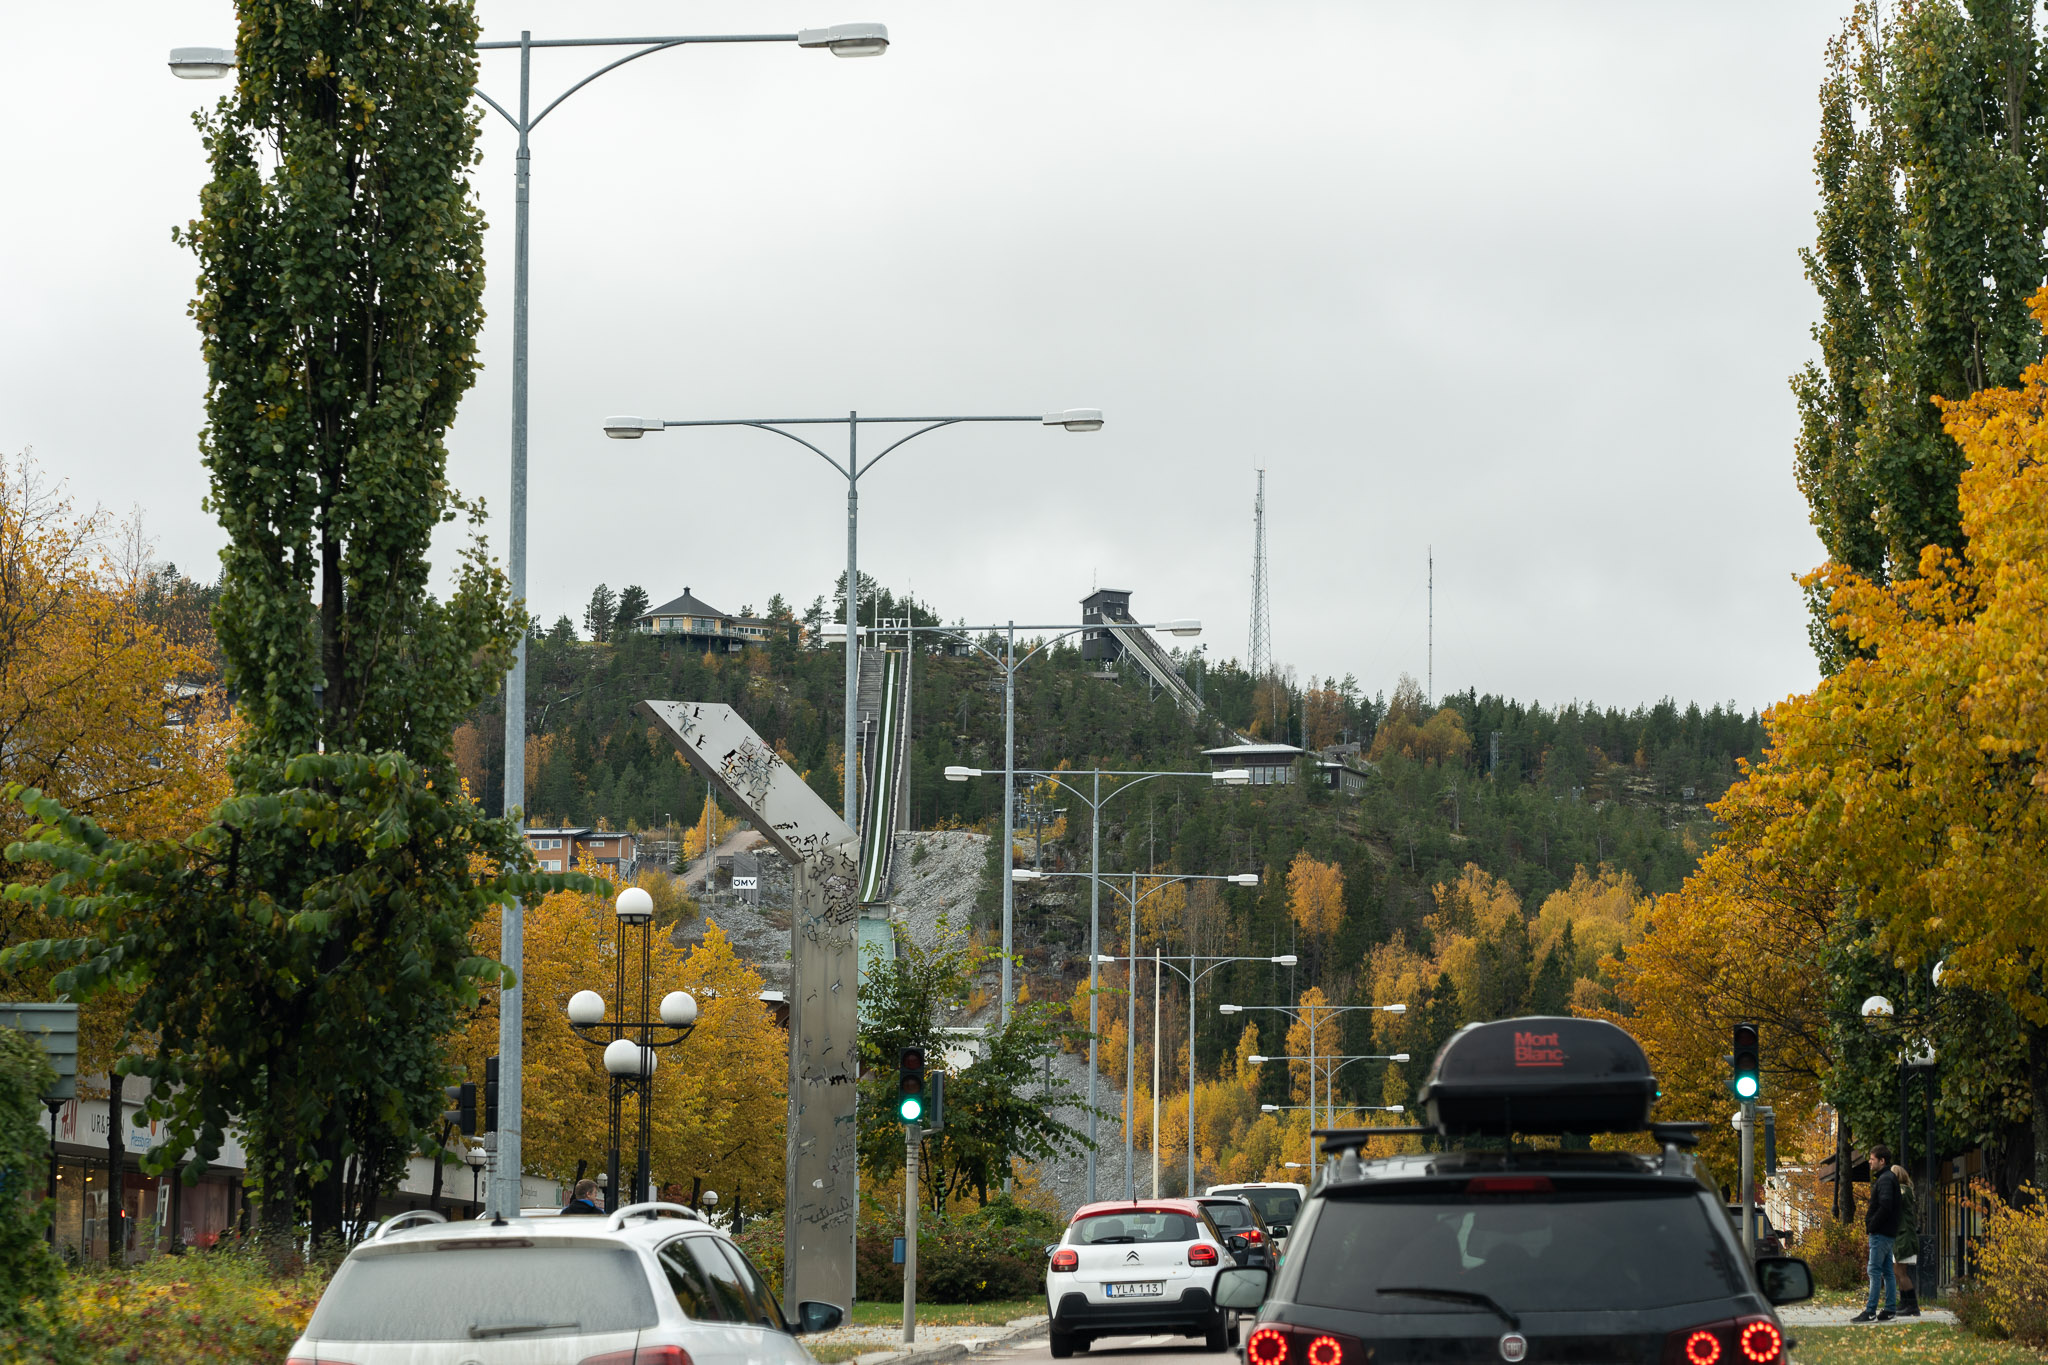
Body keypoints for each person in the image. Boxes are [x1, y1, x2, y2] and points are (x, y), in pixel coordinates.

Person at [1851, 1145, 1900, 1322]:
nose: (1869, 1162)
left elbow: (1885, 1205)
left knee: (1874, 1270)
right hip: (1887, 1232)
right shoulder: (1888, 1177)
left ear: (1882, 1161)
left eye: (1872, 1159)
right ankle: (1889, 1309)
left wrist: (1872, 1225)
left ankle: (1870, 1310)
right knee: (1887, 1271)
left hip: (1880, 1232)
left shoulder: (1885, 1179)